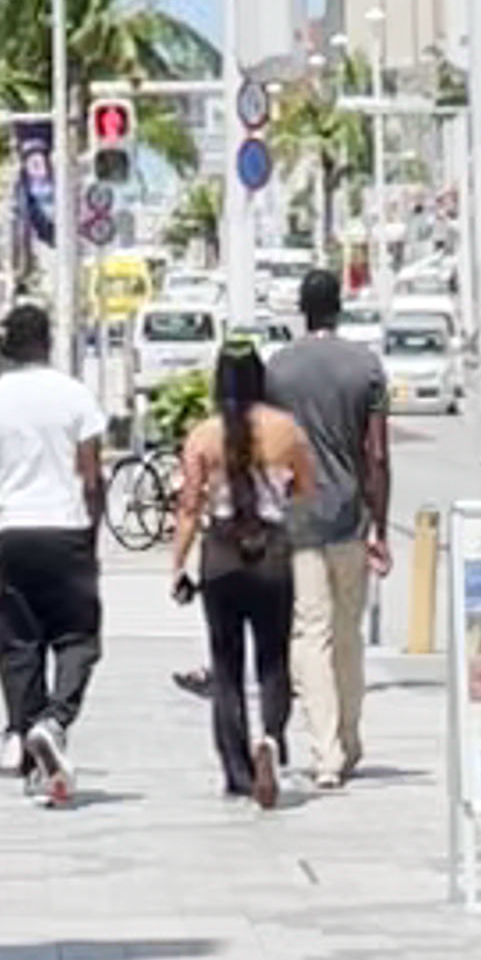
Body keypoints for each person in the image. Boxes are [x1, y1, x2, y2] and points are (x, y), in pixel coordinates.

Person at [0, 297, 107, 802]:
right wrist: (91, 537)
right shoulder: (74, 396)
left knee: (18, 646)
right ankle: (54, 720)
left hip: (10, 533)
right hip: (64, 530)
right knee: (78, 639)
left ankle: (32, 749)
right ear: (47, 343)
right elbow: (92, 477)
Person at [171, 341, 318, 806]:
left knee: (227, 664)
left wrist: (177, 564)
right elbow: (307, 492)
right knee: (273, 660)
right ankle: (271, 739)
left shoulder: (202, 436)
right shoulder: (286, 430)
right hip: (271, 550)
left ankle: (236, 770)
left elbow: (189, 508)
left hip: (221, 553)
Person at [264, 258, 392, 786]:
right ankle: (351, 735)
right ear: (338, 309)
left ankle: (325, 753)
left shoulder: (277, 370)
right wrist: (380, 525)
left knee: (309, 631)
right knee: (348, 633)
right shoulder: (365, 367)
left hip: (298, 520)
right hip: (349, 518)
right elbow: (377, 455)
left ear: (301, 311)